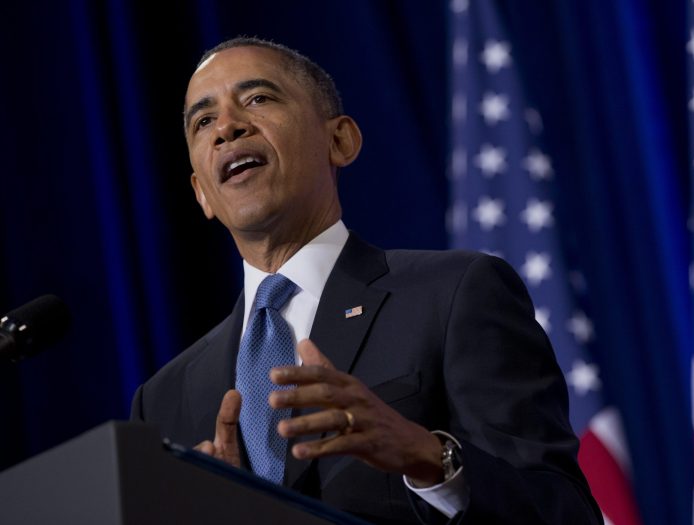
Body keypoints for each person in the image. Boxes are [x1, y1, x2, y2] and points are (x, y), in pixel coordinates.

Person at [131, 36, 602, 525]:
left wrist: (428, 457)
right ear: (201, 193)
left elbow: (565, 514)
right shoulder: (162, 400)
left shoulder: (454, 295)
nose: (227, 128)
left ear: (340, 141)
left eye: (258, 99)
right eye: (203, 121)